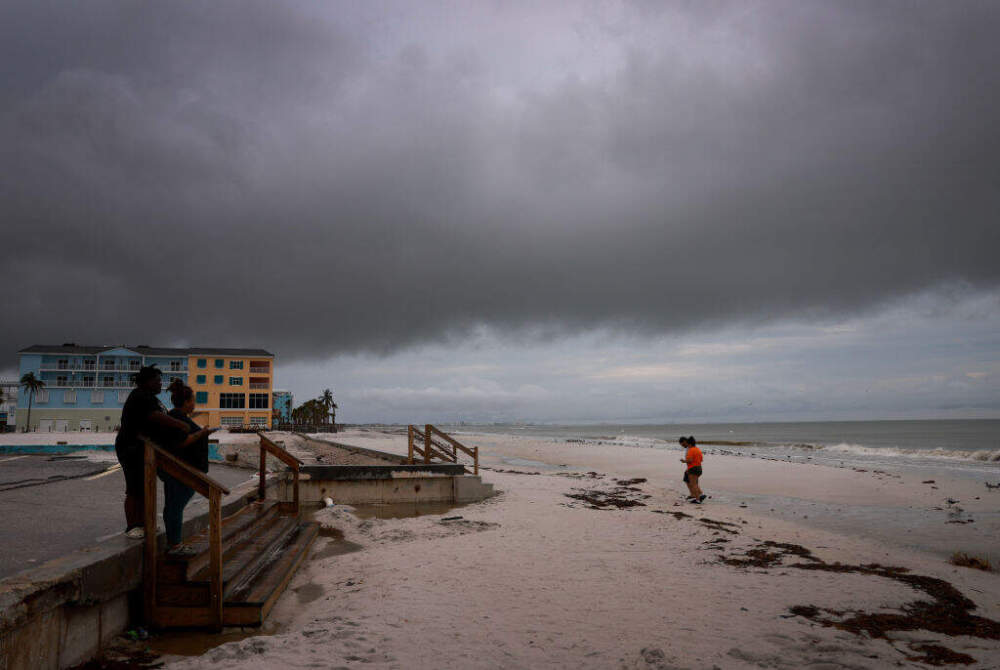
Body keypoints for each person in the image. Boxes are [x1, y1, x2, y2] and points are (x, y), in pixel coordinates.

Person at [114, 365, 190, 538]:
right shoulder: (140, 396)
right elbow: (154, 416)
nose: (160, 384)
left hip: (145, 449)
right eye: (157, 381)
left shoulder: (150, 398)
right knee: (134, 488)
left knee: (145, 487)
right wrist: (180, 424)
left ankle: (145, 522)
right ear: (147, 382)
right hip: (131, 447)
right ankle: (133, 526)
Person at [162, 380, 218, 551]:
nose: (194, 403)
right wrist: (203, 432)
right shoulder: (176, 418)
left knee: (174, 505)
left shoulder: (178, 417)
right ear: (186, 402)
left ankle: (174, 542)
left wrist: (203, 433)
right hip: (180, 470)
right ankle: (175, 544)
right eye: (192, 400)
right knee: (175, 506)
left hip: (182, 469)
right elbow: (180, 442)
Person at [679, 435, 705, 503]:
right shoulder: (697, 449)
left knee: (693, 484)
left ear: (689, 443)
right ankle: (699, 496)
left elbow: (690, 460)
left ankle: (697, 499)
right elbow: (701, 459)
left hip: (692, 468)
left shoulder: (691, 450)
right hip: (699, 467)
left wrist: (684, 461)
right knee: (695, 484)